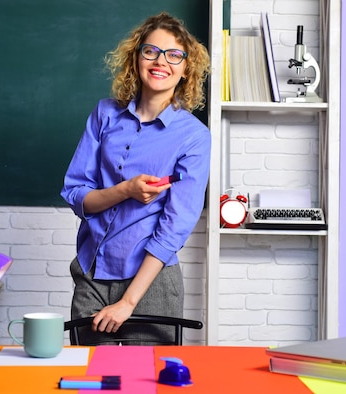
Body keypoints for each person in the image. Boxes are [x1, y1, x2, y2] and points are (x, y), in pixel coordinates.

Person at [60, 12, 210, 345]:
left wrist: (128, 303)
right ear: (136, 57)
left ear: (186, 68)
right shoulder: (104, 114)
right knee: (91, 381)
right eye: (151, 51)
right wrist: (126, 190)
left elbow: (175, 226)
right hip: (92, 276)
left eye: (174, 55)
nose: (161, 62)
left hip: (151, 283)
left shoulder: (194, 137)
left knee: (146, 383)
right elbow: (75, 194)